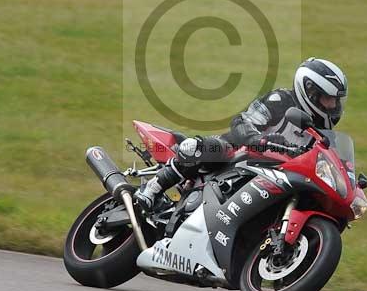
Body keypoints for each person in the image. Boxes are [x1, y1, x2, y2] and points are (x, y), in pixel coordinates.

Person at [134, 57, 348, 211]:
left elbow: (328, 163)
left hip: (276, 178)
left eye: (336, 101)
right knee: (210, 148)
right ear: (310, 91)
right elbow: (242, 121)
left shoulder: (323, 135)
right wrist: (258, 139)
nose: (333, 106)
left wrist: (348, 176)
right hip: (241, 154)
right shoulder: (280, 100)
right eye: (328, 99)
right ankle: (153, 188)